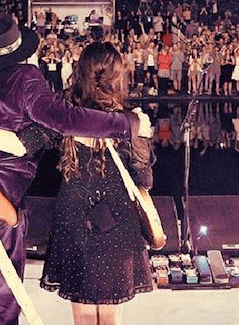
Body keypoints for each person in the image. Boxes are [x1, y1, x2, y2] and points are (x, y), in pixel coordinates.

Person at [0, 12, 151, 325]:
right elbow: (66, 119)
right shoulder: (25, 81)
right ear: (20, 49)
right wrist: (125, 124)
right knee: (2, 306)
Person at [40, 41, 155, 325]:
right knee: (110, 315)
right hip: (117, 219)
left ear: (80, 73)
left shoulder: (62, 115)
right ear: (117, 77)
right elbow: (145, 180)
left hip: (74, 216)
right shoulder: (133, 122)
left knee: (83, 312)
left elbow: (23, 144)